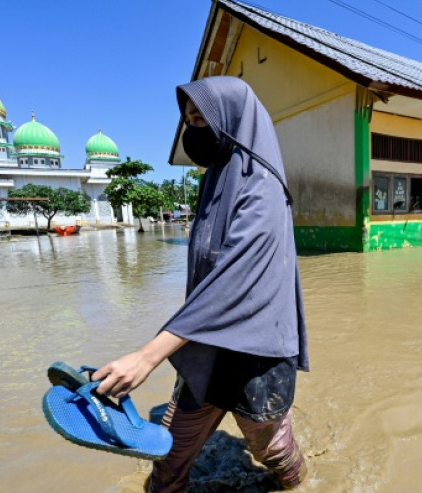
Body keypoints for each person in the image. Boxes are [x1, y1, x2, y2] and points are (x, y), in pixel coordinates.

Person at [92, 76, 310, 492]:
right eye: (189, 121)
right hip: (207, 342)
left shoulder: (263, 186)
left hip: (257, 354)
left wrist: (147, 357)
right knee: (170, 456)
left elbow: (233, 280)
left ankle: (302, 482)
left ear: (232, 120)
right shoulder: (214, 179)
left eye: (201, 119)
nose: (193, 130)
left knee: (272, 452)